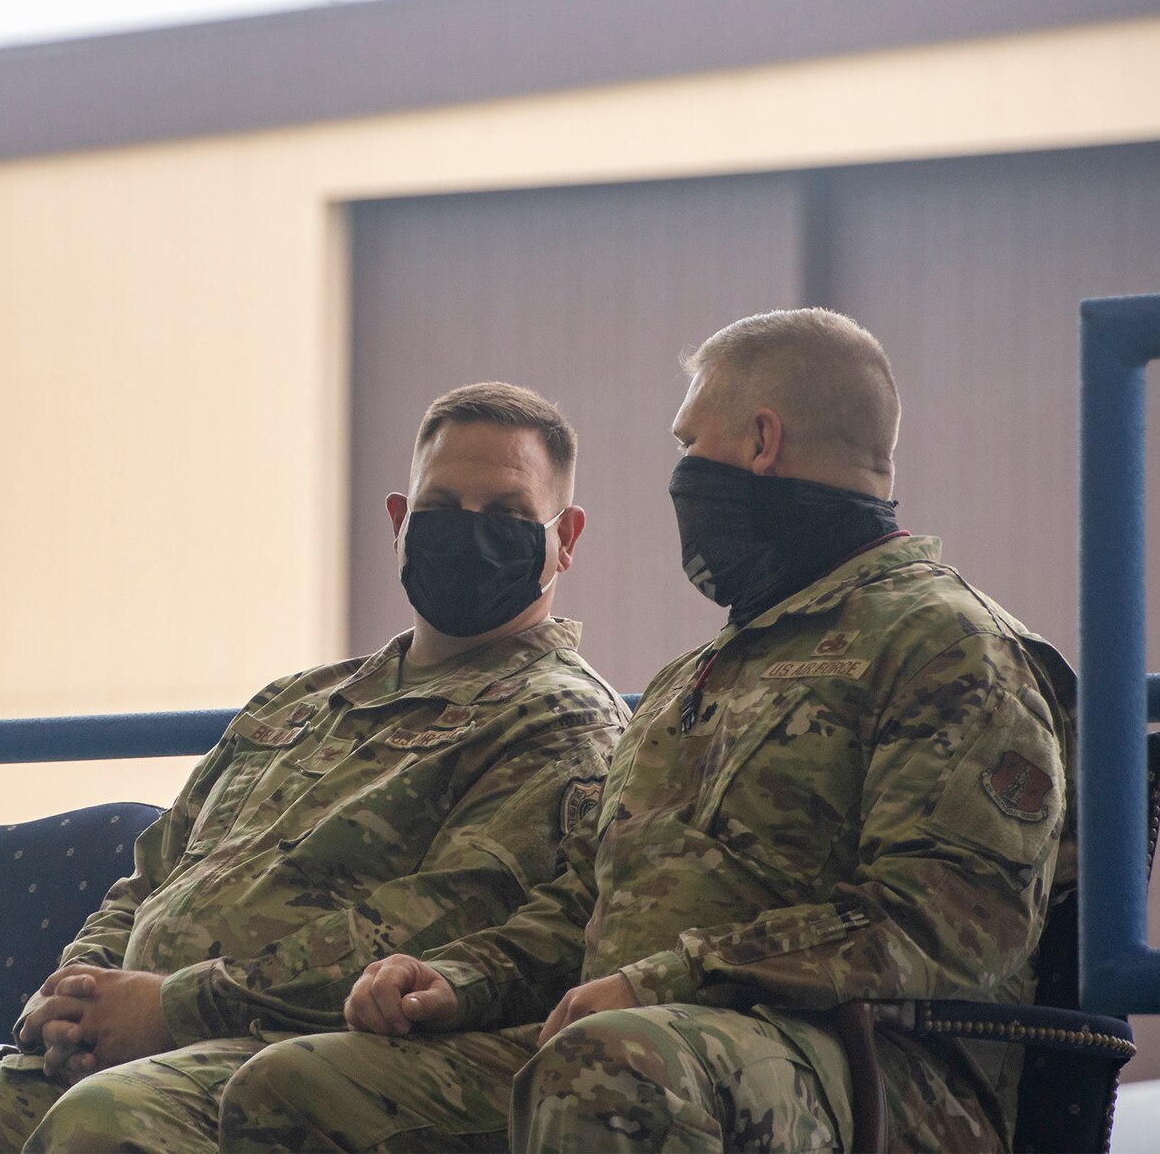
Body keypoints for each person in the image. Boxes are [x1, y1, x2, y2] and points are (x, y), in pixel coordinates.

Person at [224, 308, 1074, 1153]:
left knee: (607, 1064)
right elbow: (585, 904)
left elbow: (941, 927)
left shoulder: (946, 644)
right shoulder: (695, 678)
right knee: (293, 1084)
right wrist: (454, 980)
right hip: (636, 1049)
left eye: (687, 440)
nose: (681, 473)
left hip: (868, 1076)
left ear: (760, 441)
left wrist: (663, 978)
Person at [0, 381, 628, 1153]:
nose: (468, 536)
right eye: (442, 512)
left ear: (565, 537)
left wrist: (171, 1006)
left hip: (280, 1060)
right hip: (110, 1048)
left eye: (507, 517)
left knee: (104, 1128)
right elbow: (154, 872)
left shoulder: (555, 717)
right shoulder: (294, 701)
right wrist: (75, 996)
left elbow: (428, 938)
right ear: (400, 522)